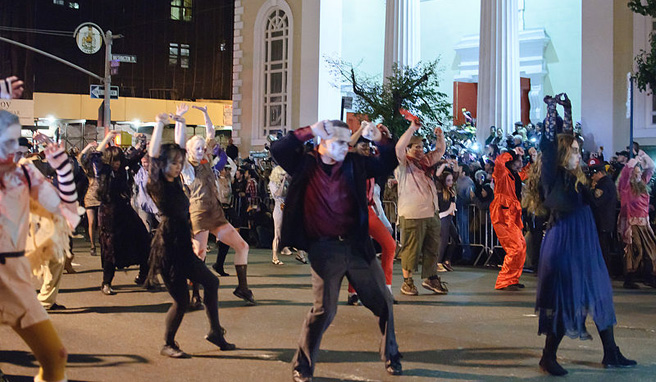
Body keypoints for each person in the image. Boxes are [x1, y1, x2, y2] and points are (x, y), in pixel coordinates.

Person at [270, 119, 402, 381]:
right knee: (324, 310)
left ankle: (391, 355)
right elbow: (279, 150)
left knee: (384, 303)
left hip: (356, 247)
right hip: (324, 249)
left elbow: (388, 162)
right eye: (339, 142)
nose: (345, 147)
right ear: (323, 142)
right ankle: (303, 365)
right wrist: (309, 130)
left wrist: (381, 140)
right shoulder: (306, 164)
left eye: (347, 142)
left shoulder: (354, 164)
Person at [530, 93, 635, 376]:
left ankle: (611, 352)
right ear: (563, 155)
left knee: (600, 294)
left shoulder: (579, 180)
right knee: (566, 299)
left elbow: (566, 135)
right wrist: (551, 108)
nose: (580, 154)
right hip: (564, 241)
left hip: (584, 240)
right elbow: (551, 141)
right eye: (575, 150)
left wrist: (569, 109)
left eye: (579, 149)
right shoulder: (553, 174)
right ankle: (547, 356)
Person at [146, 113, 235, 358]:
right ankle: (168, 343)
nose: (177, 166)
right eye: (173, 163)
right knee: (182, 300)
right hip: (168, 247)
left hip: (183, 245)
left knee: (212, 282)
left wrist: (182, 124)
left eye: (179, 162)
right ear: (163, 164)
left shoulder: (176, 181)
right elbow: (153, 156)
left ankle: (215, 332)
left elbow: (181, 147)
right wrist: (160, 124)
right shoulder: (158, 183)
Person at [0, 110, 80, 382]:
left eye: (14, 143)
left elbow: (67, 211)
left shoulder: (24, 175)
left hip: (14, 275)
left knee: (55, 358)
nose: (11, 150)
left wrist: (63, 169)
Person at [176, 104, 254, 304]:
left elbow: (210, 132)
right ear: (190, 150)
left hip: (215, 213)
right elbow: (179, 144)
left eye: (203, 148)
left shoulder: (207, 164)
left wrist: (205, 114)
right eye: (198, 148)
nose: (202, 151)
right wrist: (180, 120)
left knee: (242, 246)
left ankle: (242, 288)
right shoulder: (187, 167)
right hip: (199, 214)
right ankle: (194, 294)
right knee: (199, 253)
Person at [91, 131, 151, 295]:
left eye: (118, 160)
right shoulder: (103, 170)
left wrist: (142, 139)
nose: (117, 163)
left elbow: (138, 153)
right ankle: (106, 283)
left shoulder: (124, 168)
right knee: (110, 249)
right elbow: (95, 155)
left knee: (144, 239)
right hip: (108, 214)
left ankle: (144, 275)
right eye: (114, 160)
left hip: (125, 210)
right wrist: (107, 137)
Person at [395, 120, 448, 296]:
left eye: (421, 146)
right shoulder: (403, 164)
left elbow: (440, 151)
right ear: (408, 149)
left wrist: (440, 136)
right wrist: (411, 128)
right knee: (411, 249)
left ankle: (431, 278)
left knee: (433, 248)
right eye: (415, 147)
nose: (419, 149)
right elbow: (399, 147)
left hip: (431, 211)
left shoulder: (425, 162)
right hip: (412, 213)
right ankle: (407, 282)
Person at [490, 145, 529, 290]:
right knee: (515, 247)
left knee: (521, 246)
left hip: (512, 215)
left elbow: (526, 172)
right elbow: (499, 162)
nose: (521, 163)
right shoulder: (502, 174)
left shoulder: (514, 176)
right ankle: (504, 280)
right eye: (518, 160)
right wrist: (513, 152)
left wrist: (532, 157)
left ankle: (512, 279)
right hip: (503, 215)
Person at [617, 148, 656, 289]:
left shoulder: (643, 185)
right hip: (632, 223)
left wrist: (642, 155)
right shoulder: (626, 188)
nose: (639, 176)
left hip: (645, 223)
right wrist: (632, 163)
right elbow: (624, 177)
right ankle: (629, 279)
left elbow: (651, 168)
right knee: (635, 250)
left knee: (651, 250)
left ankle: (649, 277)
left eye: (640, 173)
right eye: (636, 173)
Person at [588, 157, 619, 278]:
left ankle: (604, 272)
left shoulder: (604, 184)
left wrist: (590, 193)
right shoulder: (607, 183)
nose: (592, 177)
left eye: (593, 174)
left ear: (600, 173)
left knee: (602, 248)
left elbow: (597, 201)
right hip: (604, 221)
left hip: (602, 221)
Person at [268, 165, 289, 265]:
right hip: (278, 207)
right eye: (282, 175)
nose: (283, 176)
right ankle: (274, 256)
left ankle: (286, 248)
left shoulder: (285, 183)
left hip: (286, 207)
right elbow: (278, 194)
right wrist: (283, 182)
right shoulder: (273, 184)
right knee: (277, 233)